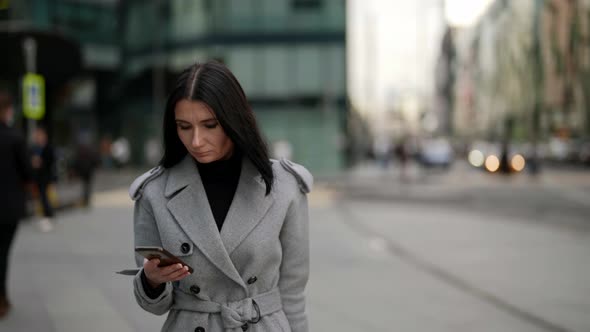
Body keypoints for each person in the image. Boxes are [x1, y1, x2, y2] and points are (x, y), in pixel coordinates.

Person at [129, 61, 312, 332]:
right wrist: (151, 280)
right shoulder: (154, 192)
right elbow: (155, 305)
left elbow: (293, 293)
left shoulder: (284, 186)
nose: (196, 141)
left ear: (234, 119)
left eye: (210, 125)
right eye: (184, 126)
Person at [0, 90, 33, 318]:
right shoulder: (15, 137)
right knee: (2, 253)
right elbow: (27, 173)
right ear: (8, 110)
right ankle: (1, 300)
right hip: (7, 208)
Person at [30, 126, 56, 232]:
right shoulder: (34, 148)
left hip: (45, 176)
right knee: (41, 196)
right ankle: (46, 214)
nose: (38, 137)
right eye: (37, 135)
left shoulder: (48, 148)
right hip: (37, 177)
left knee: (44, 196)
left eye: (40, 135)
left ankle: (48, 215)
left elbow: (51, 161)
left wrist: (40, 163)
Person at [72, 132, 99, 208]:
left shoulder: (82, 149)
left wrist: (76, 169)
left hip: (85, 171)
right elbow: (94, 159)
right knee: (87, 185)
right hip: (87, 171)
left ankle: (86, 199)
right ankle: (86, 199)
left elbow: (76, 161)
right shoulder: (89, 149)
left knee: (85, 185)